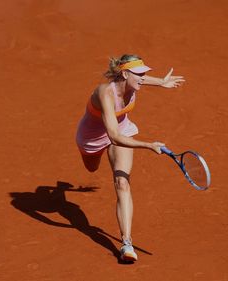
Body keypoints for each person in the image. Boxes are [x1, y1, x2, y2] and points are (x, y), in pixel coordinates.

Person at [76, 54, 184, 262]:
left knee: (122, 183)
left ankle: (126, 243)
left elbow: (119, 133)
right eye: (139, 74)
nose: (143, 78)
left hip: (121, 129)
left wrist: (162, 82)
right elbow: (113, 137)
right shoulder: (105, 94)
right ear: (124, 73)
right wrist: (148, 145)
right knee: (91, 168)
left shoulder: (133, 83)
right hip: (92, 139)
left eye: (145, 74)